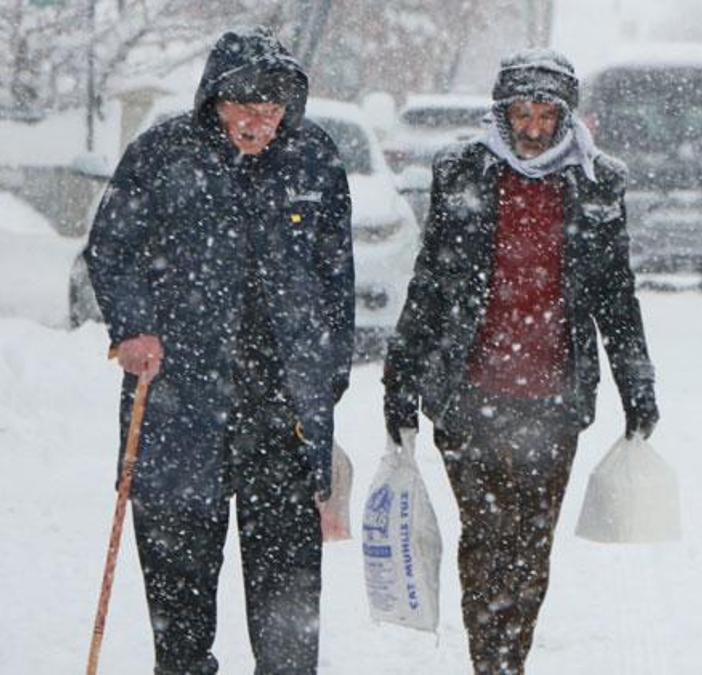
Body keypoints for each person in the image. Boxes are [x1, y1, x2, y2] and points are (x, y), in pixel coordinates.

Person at [84, 27, 353, 674]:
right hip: (180, 407)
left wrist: (325, 378)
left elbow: (335, 283)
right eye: (243, 106)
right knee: (179, 624)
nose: (258, 121)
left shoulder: (314, 158)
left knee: (288, 623)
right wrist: (131, 326)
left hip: (281, 418)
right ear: (213, 100)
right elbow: (110, 248)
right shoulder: (163, 154)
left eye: (272, 109)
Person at [382, 49, 659, 675]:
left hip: (553, 399)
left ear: (567, 117)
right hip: (469, 394)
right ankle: (491, 663)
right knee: (485, 538)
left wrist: (636, 384)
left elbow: (616, 294)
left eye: (545, 116)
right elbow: (431, 281)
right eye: (521, 114)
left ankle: (510, 661)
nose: (532, 130)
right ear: (500, 112)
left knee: (530, 549)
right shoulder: (461, 169)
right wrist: (399, 380)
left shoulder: (598, 180)